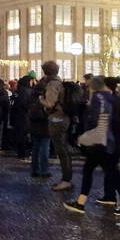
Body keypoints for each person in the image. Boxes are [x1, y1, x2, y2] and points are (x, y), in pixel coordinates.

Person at [65, 76, 120, 216]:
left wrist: (86, 137)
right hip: (107, 141)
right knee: (105, 171)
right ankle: (82, 202)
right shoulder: (111, 98)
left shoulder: (99, 99)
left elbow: (99, 121)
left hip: (101, 142)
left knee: (107, 172)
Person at [39, 61, 74, 192]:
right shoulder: (59, 82)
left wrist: (40, 99)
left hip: (57, 119)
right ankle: (67, 178)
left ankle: (66, 180)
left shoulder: (52, 84)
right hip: (63, 118)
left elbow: (50, 103)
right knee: (64, 150)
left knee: (61, 150)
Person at [10, 76, 35, 160]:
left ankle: (20, 153)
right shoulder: (27, 91)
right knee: (24, 136)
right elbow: (26, 105)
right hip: (24, 117)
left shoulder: (18, 91)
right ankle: (24, 154)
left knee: (19, 135)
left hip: (17, 117)